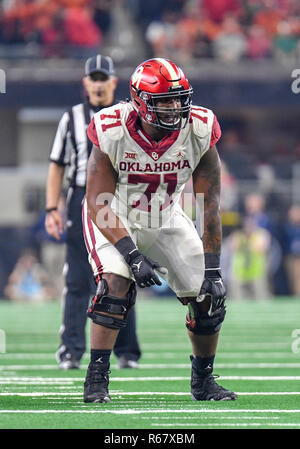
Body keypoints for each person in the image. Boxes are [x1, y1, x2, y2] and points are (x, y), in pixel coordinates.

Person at [82, 57, 237, 403]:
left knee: (209, 297)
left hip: (166, 215)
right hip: (115, 215)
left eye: (180, 98)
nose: (175, 108)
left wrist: (212, 268)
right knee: (115, 289)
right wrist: (133, 256)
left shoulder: (199, 127)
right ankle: (96, 381)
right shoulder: (112, 127)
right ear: (139, 100)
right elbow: (98, 201)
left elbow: (209, 201)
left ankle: (203, 381)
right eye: (165, 100)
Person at [45, 55, 141, 370]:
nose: (99, 84)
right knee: (76, 279)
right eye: (93, 78)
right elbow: (57, 165)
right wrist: (52, 208)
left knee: (125, 274)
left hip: (119, 199)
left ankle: (127, 351)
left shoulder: (129, 115)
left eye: (104, 78)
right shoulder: (71, 117)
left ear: (114, 82)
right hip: (79, 199)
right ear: (86, 83)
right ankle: (71, 349)